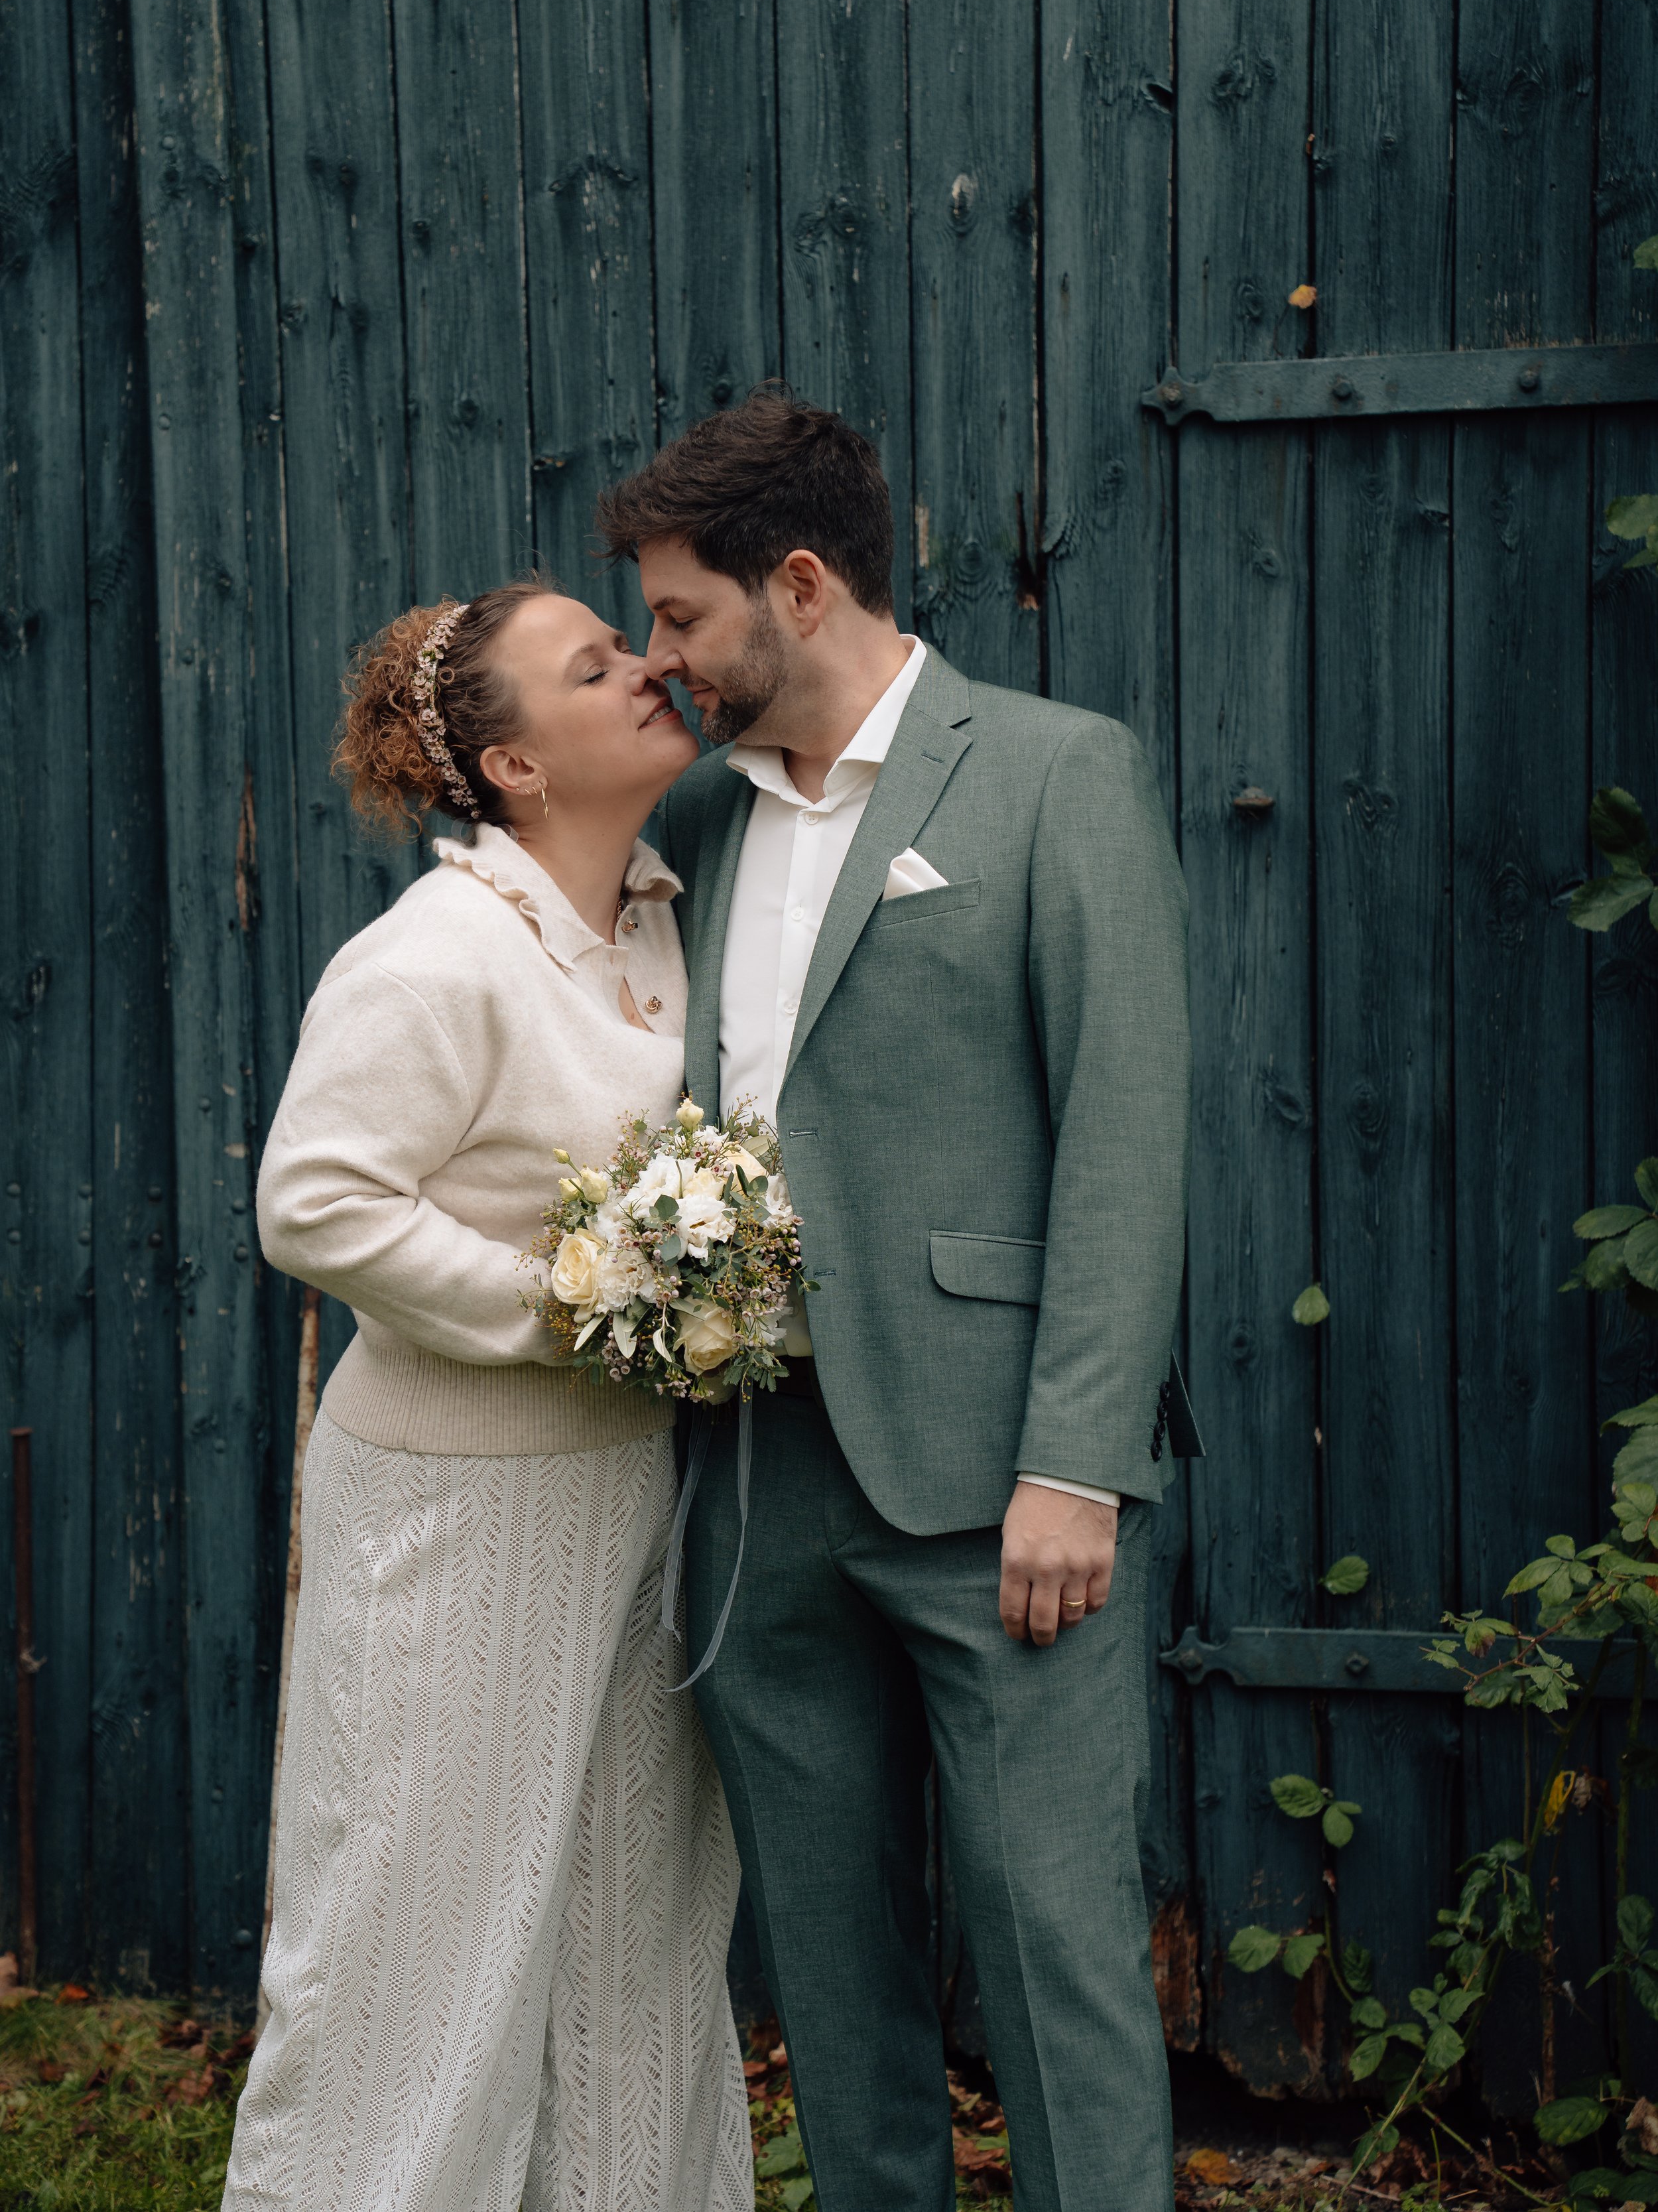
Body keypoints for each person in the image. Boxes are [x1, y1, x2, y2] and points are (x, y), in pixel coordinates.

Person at [596, 391, 1199, 2212]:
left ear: (798, 582)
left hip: (993, 1483)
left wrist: (1077, 1461)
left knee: (1050, 1945)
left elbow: (1123, 1129)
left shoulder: (1050, 770)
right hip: (755, 1477)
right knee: (829, 1980)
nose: (660, 658)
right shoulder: (688, 816)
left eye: (683, 616)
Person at [224, 581, 751, 2212]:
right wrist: (568, 1312)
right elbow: (311, 1199)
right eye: (594, 667)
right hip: (451, 1514)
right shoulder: (437, 952)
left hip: (637, 1502)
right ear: (514, 769)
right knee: (413, 1939)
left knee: (634, 1939)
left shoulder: (667, 911)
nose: (649, 669)